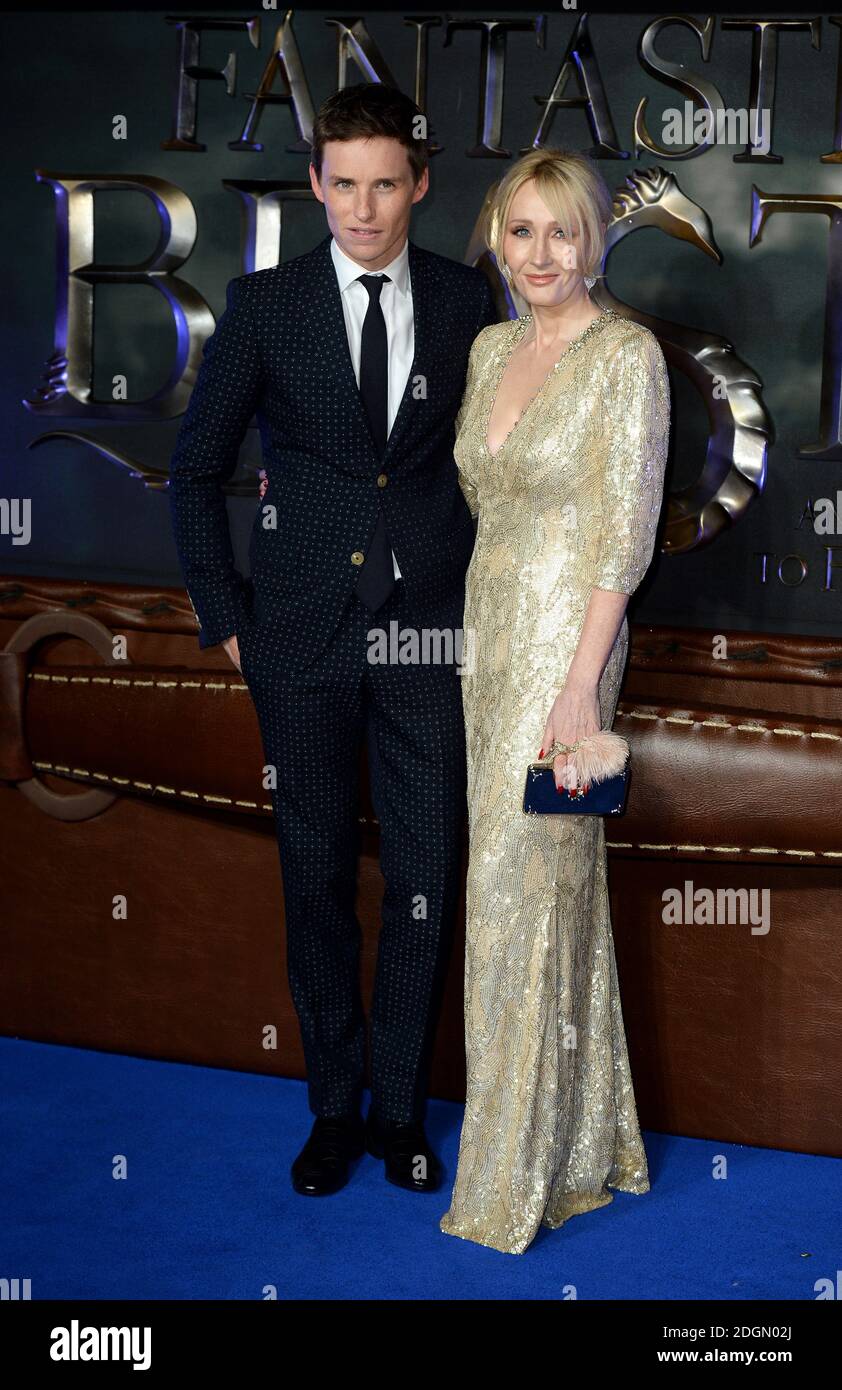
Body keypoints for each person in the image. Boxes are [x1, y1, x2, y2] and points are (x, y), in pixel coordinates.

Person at [168, 83, 497, 1199]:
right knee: (313, 878)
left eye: (384, 184)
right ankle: (331, 1108)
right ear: (315, 183)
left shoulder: (466, 301)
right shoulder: (263, 306)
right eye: (341, 183)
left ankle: (402, 1111)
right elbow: (196, 471)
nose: (362, 207)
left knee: (421, 876)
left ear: (417, 184)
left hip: (423, 637)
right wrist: (225, 620)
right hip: (297, 641)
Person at [438, 148, 671, 1254]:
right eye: (520, 231)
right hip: (486, 643)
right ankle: (583, 1144)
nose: (540, 255)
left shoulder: (625, 357)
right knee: (518, 889)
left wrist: (580, 688)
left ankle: (510, 1174)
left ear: (594, 242)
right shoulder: (489, 350)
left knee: (527, 884)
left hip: (567, 653)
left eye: (562, 233)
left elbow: (620, 541)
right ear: (496, 236)